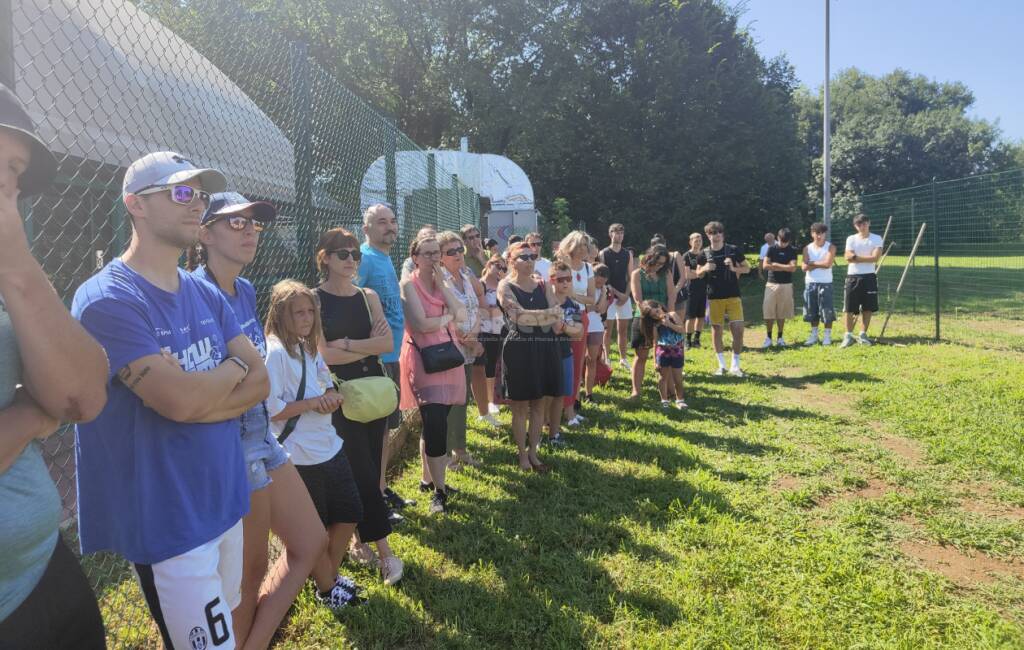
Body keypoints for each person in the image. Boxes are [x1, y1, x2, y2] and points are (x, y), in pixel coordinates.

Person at [72, 152, 270, 650]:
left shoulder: (206, 295)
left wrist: (198, 393)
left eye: (200, 195)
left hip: (223, 496)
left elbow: (261, 381)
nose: (196, 204)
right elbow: (182, 401)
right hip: (170, 520)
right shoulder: (107, 299)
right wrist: (229, 372)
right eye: (181, 192)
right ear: (134, 204)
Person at [189, 193, 329, 648]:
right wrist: (250, 382)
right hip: (229, 443)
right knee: (247, 577)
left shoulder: (245, 290)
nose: (249, 230)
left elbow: (258, 379)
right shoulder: (191, 294)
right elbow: (222, 385)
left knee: (309, 543)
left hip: (261, 435)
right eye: (235, 223)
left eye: (253, 223)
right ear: (204, 234)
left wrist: (253, 382)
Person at [0, 83, 108, 650]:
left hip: (44, 571)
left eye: (18, 172)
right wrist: (25, 420)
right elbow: (52, 409)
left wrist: (16, 261)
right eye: (7, 163)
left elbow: (84, 397)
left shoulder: (5, 271)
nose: (12, 186)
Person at [263, 280, 366, 610]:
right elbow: (273, 409)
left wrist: (329, 399)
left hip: (329, 445)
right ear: (281, 315)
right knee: (316, 531)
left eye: (310, 311)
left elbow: (321, 384)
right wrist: (312, 404)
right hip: (300, 455)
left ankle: (328, 581)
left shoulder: (308, 346)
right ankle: (328, 590)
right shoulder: (275, 352)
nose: (307, 318)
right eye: (298, 312)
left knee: (350, 512)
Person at [315, 228, 404, 586]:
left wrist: (349, 343)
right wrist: (365, 345)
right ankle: (386, 553)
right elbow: (323, 353)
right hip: (340, 394)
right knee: (364, 473)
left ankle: (356, 538)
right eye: (342, 253)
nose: (351, 259)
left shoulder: (368, 297)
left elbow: (386, 343)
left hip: (373, 392)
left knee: (367, 469)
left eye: (355, 254)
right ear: (324, 258)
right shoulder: (315, 300)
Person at [399, 236, 467, 515]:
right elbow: (419, 324)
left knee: (437, 423)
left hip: (449, 359)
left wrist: (442, 284)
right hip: (424, 360)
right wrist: (446, 318)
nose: (432, 259)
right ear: (415, 257)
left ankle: (431, 480)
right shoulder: (407, 284)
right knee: (435, 421)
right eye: (426, 254)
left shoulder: (443, 282)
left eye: (436, 253)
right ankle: (439, 491)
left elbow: (460, 312)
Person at [355, 204, 414, 519]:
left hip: (391, 355)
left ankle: (379, 488)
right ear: (366, 229)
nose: (389, 227)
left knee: (385, 431)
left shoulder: (386, 257)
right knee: (375, 432)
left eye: (392, 221)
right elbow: (349, 297)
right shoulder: (363, 258)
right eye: (381, 222)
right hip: (375, 359)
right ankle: (373, 498)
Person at [497, 241, 563, 472]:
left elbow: (558, 316)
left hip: (546, 347)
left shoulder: (543, 285)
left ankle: (534, 452)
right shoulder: (505, 286)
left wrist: (537, 316)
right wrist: (545, 315)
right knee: (520, 407)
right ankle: (522, 454)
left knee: (539, 405)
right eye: (523, 256)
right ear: (511, 261)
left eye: (532, 256)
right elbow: (520, 318)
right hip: (520, 350)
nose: (529, 260)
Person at [436, 231, 485, 470]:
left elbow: (475, 308)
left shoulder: (465, 275)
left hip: (468, 348)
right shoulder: (439, 281)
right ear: (440, 258)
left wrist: (475, 336)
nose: (458, 255)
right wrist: (465, 338)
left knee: (462, 401)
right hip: (451, 349)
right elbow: (445, 315)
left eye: (459, 250)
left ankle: (461, 451)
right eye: (451, 252)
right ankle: (445, 455)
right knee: (449, 404)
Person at [695, 221, 750, 376]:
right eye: (713, 233)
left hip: (733, 295)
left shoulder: (732, 250)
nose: (716, 235)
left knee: (738, 329)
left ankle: (735, 365)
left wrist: (734, 268)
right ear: (708, 235)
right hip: (713, 297)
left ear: (723, 234)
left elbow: (747, 268)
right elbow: (696, 273)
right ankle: (721, 365)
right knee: (717, 329)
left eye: (719, 232)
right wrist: (705, 268)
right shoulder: (704, 254)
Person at [557, 231, 596, 427]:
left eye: (585, 246)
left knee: (577, 364)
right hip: (561, 317)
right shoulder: (560, 266)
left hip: (580, 317)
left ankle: (570, 409)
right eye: (580, 245)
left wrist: (574, 295)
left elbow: (591, 299)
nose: (583, 249)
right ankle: (560, 410)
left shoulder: (588, 268)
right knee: (563, 364)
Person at [627, 244, 674, 399]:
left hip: (664, 318)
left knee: (665, 356)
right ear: (650, 258)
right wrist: (652, 315)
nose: (659, 266)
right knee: (641, 356)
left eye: (662, 263)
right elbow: (638, 299)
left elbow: (671, 295)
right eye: (657, 262)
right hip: (643, 318)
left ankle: (668, 389)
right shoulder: (636, 274)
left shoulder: (666, 273)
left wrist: (668, 316)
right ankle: (636, 391)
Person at [546, 261, 584, 446]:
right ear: (551, 280)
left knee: (559, 395)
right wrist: (565, 327)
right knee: (543, 397)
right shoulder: (543, 301)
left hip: (564, 354)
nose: (566, 283)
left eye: (569, 279)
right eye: (561, 279)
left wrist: (563, 326)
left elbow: (578, 331)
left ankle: (554, 434)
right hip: (543, 354)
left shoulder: (573, 305)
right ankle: (539, 432)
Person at [842, 215, 883, 348]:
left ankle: (862, 334)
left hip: (869, 276)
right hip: (852, 277)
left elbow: (875, 258)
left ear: (869, 223)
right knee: (849, 308)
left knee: (868, 307)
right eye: (859, 225)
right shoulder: (851, 239)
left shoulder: (877, 238)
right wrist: (864, 257)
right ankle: (848, 336)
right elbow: (847, 257)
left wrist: (856, 257)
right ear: (855, 226)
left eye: (864, 223)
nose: (862, 226)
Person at [599, 223, 635, 370]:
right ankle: (607, 358)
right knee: (607, 330)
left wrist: (626, 295)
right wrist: (617, 294)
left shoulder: (628, 254)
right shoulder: (603, 253)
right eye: (616, 232)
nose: (619, 235)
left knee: (623, 330)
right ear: (610, 234)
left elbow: (630, 276)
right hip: (608, 296)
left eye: (621, 233)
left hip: (624, 296)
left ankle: (623, 358)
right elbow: (602, 278)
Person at [639, 301, 688, 409]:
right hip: (663, 353)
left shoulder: (672, 315)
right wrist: (655, 361)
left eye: (657, 311)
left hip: (677, 351)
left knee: (678, 378)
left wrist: (669, 324)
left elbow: (682, 330)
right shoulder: (656, 325)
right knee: (662, 378)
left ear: (660, 306)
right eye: (654, 315)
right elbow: (655, 342)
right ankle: (664, 400)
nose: (657, 315)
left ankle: (680, 399)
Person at [477, 256, 507, 425]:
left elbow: (503, 308)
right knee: (486, 366)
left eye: (503, 268)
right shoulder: (480, 284)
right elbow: (483, 309)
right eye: (498, 266)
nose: (500, 270)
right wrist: (492, 310)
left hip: (499, 329)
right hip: (484, 330)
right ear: (489, 265)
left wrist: (495, 309)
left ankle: (494, 398)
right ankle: (488, 401)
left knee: (495, 363)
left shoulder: (503, 285)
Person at [761, 227, 799, 348]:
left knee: (781, 313)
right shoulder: (771, 249)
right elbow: (765, 266)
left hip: (786, 284)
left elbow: (793, 268)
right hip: (771, 283)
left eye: (785, 241)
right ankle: (768, 337)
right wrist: (784, 266)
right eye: (781, 241)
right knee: (769, 312)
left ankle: (780, 337)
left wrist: (776, 264)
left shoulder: (792, 250)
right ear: (777, 238)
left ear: (789, 240)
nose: (783, 244)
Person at [802, 222, 837, 346]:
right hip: (810, 283)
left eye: (821, 233)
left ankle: (827, 336)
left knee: (827, 310)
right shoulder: (807, 248)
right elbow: (804, 267)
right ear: (812, 234)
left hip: (826, 283)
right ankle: (814, 335)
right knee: (812, 310)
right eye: (817, 233)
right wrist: (817, 263)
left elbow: (827, 264)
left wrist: (812, 263)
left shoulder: (830, 247)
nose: (819, 236)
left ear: (825, 234)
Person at [583, 264, 611, 401]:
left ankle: (589, 393)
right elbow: (585, 309)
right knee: (579, 361)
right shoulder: (584, 288)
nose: (599, 282)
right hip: (581, 326)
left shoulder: (603, 290)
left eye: (603, 280)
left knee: (591, 360)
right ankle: (575, 395)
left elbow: (601, 310)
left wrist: (604, 294)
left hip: (596, 327)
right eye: (597, 278)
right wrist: (592, 307)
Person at [679, 233, 707, 349]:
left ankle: (697, 339)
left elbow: (708, 270)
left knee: (701, 316)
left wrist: (697, 273)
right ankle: (687, 340)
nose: (698, 242)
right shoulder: (687, 256)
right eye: (695, 240)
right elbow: (687, 275)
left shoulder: (705, 254)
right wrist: (701, 273)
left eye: (700, 240)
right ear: (690, 242)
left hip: (704, 289)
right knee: (690, 317)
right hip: (691, 290)